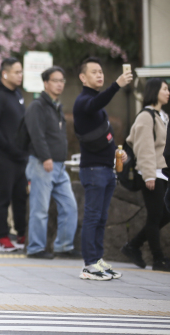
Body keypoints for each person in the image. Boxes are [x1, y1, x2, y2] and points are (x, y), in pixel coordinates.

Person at [73, 56, 132, 281]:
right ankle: (89, 265)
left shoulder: (96, 102)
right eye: (94, 72)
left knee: (101, 218)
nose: (100, 74)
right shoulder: (83, 101)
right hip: (94, 170)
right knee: (92, 217)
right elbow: (94, 104)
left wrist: (120, 154)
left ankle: (97, 259)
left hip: (106, 169)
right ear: (82, 77)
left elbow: (104, 138)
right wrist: (117, 84)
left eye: (101, 71)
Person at [24, 67, 80, 260]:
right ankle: (35, 248)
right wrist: (45, 157)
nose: (59, 84)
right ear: (46, 83)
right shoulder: (37, 106)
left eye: (62, 81)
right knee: (40, 209)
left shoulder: (56, 106)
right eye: (55, 80)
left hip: (59, 165)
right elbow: (36, 134)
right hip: (42, 164)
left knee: (69, 206)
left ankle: (63, 246)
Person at [121, 78, 170, 271]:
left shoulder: (162, 116)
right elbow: (144, 148)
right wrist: (149, 174)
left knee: (164, 214)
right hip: (152, 173)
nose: (168, 92)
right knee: (155, 215)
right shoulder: (145, 117)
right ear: (154, 91)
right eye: (165, 89)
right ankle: (158, 259)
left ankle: (133, 245)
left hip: (163, 173)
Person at [0, 57, 27, 252]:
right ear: (5, 73)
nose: (21, 75)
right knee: (2, 197)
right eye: (17, 72)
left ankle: (21, 234)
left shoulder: (17, 94)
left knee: (20, 197)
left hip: (19, 157)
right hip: (1, 157)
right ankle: (2, 237)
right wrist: (10, 147)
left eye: (21, 72)